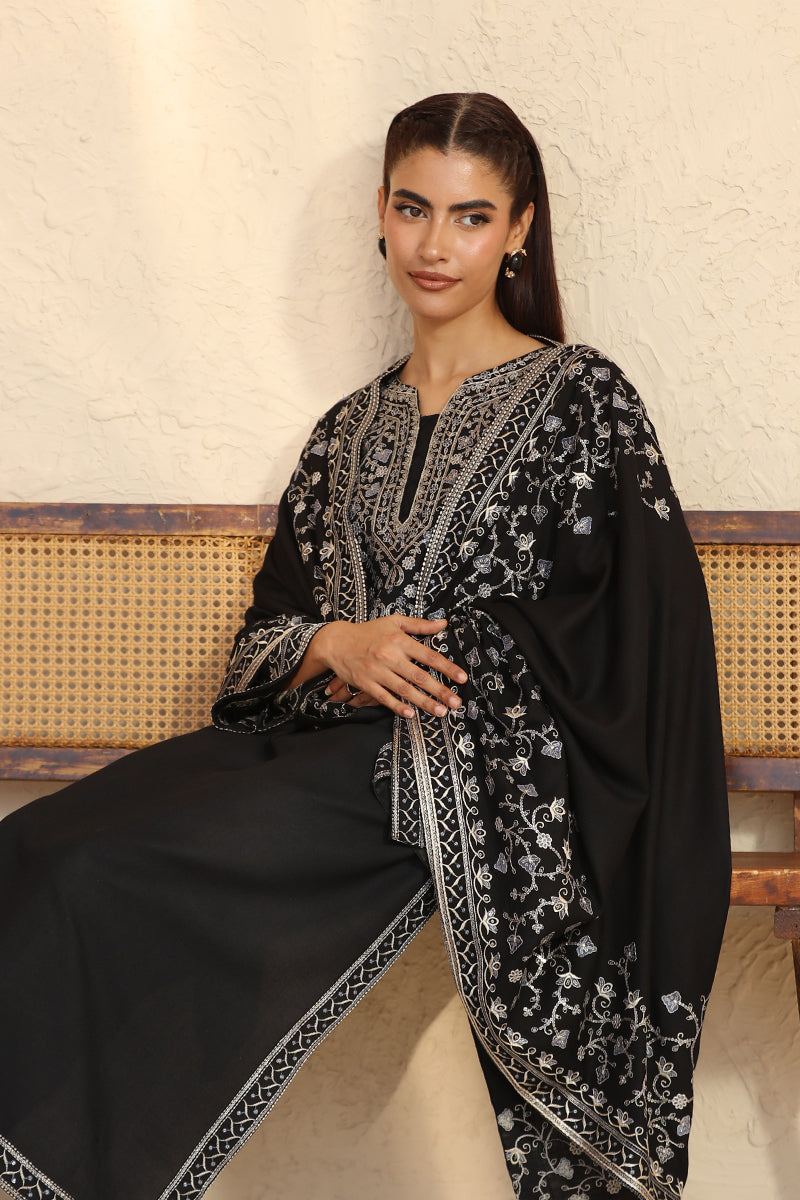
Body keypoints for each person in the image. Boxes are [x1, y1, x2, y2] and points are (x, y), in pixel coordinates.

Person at [0, 92, 730, 1200]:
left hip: (456, 782)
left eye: (471, 216)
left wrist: (460, 659)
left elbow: (642, 632)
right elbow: (261, 649)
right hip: (311, 757)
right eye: (412, 208)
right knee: (41, 844)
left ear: (520, 228)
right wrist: (339, 644)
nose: (435, 245)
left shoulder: (582, 400)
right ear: (378, 216)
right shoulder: (347, 430)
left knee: (95, 871)